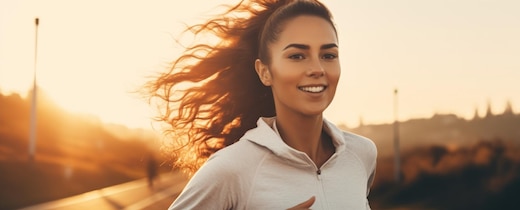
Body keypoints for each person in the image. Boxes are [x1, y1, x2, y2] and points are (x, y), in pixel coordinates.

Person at [144, 0, 377, 209]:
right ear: (265, 72)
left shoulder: (361, 154)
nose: (317, 69)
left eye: (328, 55)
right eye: (297, 56)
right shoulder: (232, 168)